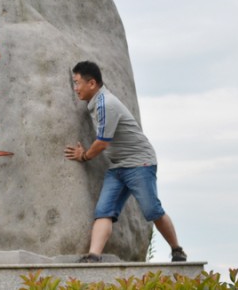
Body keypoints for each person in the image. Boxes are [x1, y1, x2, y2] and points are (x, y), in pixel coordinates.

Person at [63, 61, 187, 263]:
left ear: (92, 83)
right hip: (118, 166)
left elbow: (102, 143)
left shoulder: (106, 104)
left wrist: (83, 156)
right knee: (104, 211)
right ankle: (93, 256)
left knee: (152, 210)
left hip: (139, 163)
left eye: (77, 83)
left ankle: (177, 250)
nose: (75, 88)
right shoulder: (96, 102)